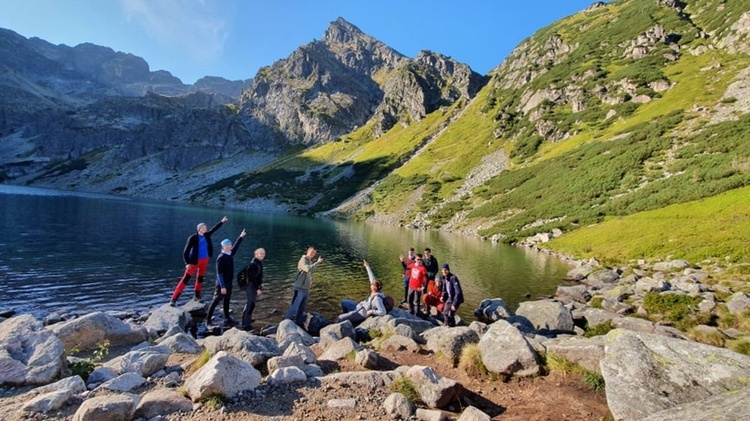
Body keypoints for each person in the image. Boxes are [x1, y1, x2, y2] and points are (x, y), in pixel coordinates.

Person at [170, 216, 228, 306]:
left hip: (205, 260)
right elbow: (186, 250)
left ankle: (196, 296)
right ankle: (174, 299)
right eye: (203, 227)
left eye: (205, 227)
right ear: (199, 229)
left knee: (200, 278)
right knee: (185, 279)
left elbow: (214, 229)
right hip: (194, 261)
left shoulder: (207, 235)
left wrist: (222, 221)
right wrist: (187, 262)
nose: (205, 229)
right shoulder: (193, 238)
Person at [206, 229, 246, 327]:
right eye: (227, 245)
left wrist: (241, 237)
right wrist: (222, 286)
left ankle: (227, 318)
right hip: (221, 284)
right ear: (223, 247)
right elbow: (219, 274)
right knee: (216, 301)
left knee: (227, 300)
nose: (230, 246)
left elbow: (236, 247)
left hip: (229, 282)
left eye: (230, 244)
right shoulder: (221, 257)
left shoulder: (229, 254)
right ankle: (208, 321)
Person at [336, 260, 387, 326]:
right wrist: (367, 267)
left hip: (362, 313)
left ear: (374, 288)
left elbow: (383, 312)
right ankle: (347, 318)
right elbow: (372, 278)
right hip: (359, 306)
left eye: (371, 285)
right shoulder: (377, 290)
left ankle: (345, 323)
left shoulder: (377, 299)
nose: (370, 285)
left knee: (339, 318)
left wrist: (371, 311)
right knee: (343, 302)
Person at [285, 246, 323, 328]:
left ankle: (297, 324)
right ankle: (285, 324)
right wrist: (317, 262)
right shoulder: (303, 260)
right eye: (311, 252)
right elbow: (308, 269)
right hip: (299, 289)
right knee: (294, 307)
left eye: (314, 253)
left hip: (306, 290)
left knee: (302, 309)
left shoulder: (309, 261)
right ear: (307, 252)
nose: (312, 254)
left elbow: (308, 274)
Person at [241, 248, 266, 331]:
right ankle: (246, 325)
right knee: (250, 304)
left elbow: (258, 276)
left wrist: (261, 283)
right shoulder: (253, 264)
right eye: (260, 253)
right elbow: (251, 278)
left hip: (254, 286)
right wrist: (257, 289)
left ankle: (247, 319)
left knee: (252, 304)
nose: (262, 255)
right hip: (250, 287)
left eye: (263, 253)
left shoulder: (259, 263)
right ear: (256, 254)